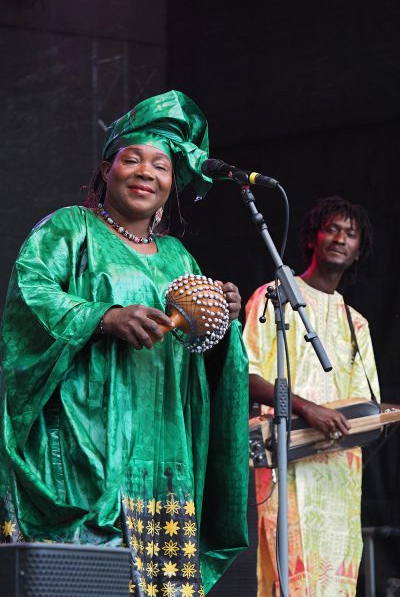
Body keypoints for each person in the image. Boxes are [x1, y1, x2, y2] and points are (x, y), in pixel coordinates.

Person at [0, 90, 249, 595]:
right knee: (87, 582)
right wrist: (105, 316)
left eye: (160, 165)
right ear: (106, 171)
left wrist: (221, 320)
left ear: (171, 185)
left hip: (163, 452)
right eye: (131, 159)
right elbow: (30, 295)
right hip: (84, 441)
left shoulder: (179, 258)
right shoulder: (71, 229)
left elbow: (201, 358)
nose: (145, 172)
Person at [243, 196, 380, 597]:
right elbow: (245, 374)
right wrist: (307, 409)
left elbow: (365, 405)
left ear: (359, 251)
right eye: (333, 229)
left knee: (336, 583)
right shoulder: (273, 296)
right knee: (289, 579)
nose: (341, 238)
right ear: (313, 238)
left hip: (339, 473)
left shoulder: (357, 324)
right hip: (288, 461)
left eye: (350, 234)